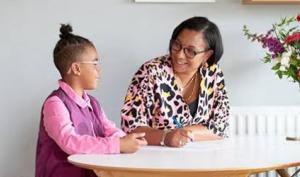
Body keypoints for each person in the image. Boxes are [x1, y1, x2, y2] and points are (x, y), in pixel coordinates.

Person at [35, 24, 147, 177]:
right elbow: (70, 142)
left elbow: (108, 129)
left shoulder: (92, 103)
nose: (99, 70)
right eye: (95, 64)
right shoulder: (55, 103)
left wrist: (128, 139)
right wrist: (118, 145)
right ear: (76, 69)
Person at [121, 17, 230, 148]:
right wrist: (166, 137)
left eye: (190, 51)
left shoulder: (213, 74)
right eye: (176, 45)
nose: (179, 55)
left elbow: (221, 127)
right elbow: (131, 128)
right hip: (154, 157)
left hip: (201, 157)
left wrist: (184, 134)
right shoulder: (151, 72)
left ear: (207, 55)